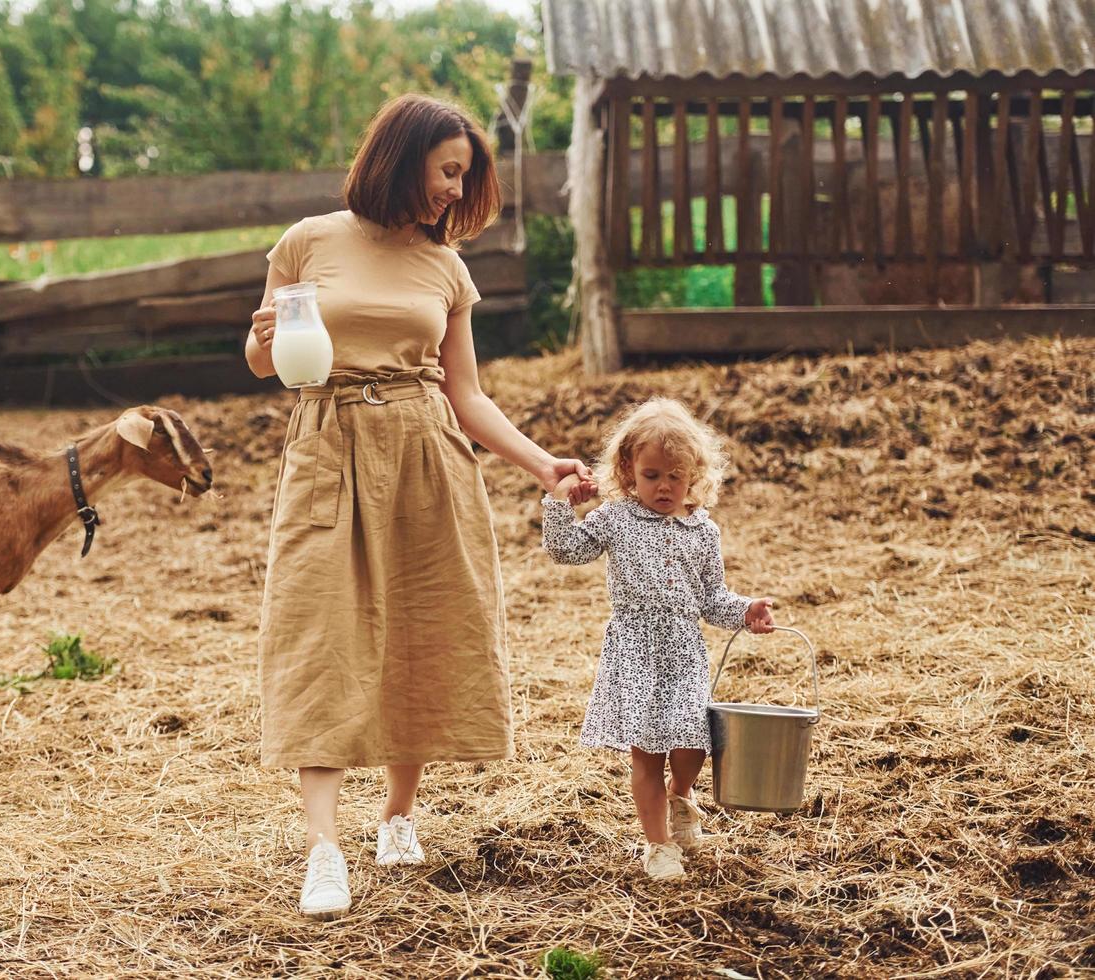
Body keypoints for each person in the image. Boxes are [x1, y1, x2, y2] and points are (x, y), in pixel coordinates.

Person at [245, 93, 594, 920]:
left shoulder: (447, 267)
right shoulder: (308, 241)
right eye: (446, 171)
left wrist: (543, 464)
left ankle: (397, 816)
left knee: (422, 627)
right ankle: (323, 849)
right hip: (327, 442)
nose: (452, 189)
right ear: (402, 161)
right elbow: (266, 364)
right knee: (320, 633)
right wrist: (262, 338)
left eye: (462, 175)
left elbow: (467, 393)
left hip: (426, 448)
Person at [540, 397, 775, 880]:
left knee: (694, 740)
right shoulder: (616, 518)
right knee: (646, 750)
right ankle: (658, 845)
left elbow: (713, 599)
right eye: (651, 476)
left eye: (676, 476)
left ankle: (682, 796)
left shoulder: (702, 530)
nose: (664, 487)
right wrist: (558, 503)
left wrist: (746, 610)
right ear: (628, 470)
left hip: (685, 649)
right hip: (635, 649)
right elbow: (567, 550)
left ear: (695, 475)